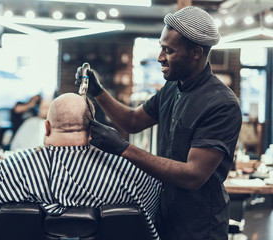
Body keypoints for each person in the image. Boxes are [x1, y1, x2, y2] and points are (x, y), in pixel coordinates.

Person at [75, 6, 242, 240]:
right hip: (165, 216)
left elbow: (193, 176)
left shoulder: (221, 104)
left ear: (196, 52)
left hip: (200, 228)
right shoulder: (173, 87)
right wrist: (98, 91)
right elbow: (132, 121)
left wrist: (123, 148)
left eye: (168, 50)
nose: (159, 57)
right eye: (161, 48)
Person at [0, 93, 162, 240]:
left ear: (46, 127)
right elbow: (155, 228)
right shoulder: (131, 171)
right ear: (94, 128)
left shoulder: (10, 169)